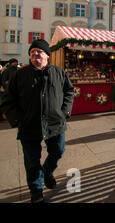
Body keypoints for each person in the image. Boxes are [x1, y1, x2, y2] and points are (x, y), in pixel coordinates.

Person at [0, 40, 74, 203]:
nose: (35, 54)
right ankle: (36, 191)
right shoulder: (19, 75)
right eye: (32, 52)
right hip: (29, 125)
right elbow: (7, 100)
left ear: (47, 55)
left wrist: (64, 112)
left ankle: (47, 172)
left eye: (39, 51)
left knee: (58, 151)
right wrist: (18, 119)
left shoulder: (58, 72)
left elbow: (69, 91)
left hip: (55, 123)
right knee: (32, 160)